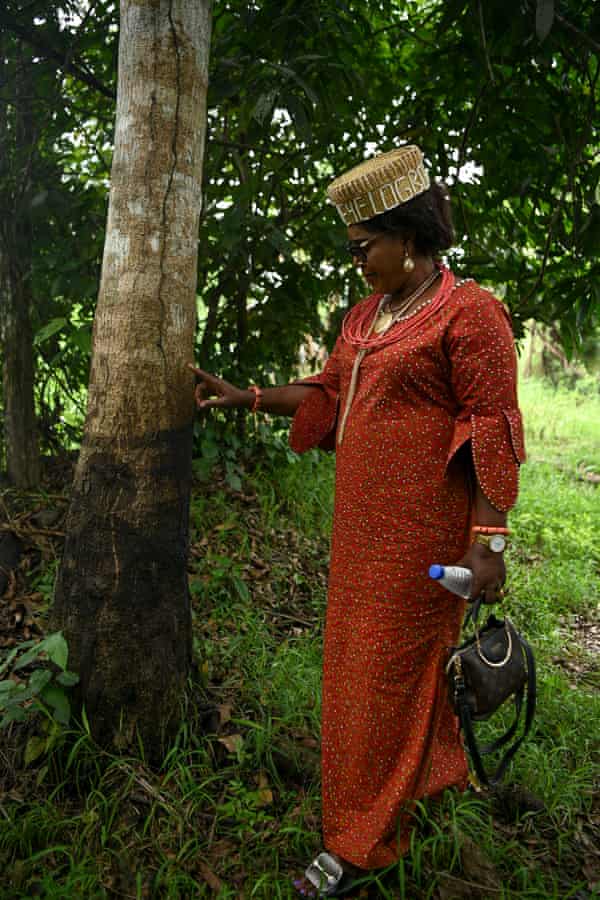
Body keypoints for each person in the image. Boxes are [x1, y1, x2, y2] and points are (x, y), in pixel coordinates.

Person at [188, 145, 525, 896]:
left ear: (408, 235)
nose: (358, 262)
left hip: (426, 540)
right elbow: (327, 396)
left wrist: (489, 542)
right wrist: (245, 396)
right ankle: (426, 789)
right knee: (359, 676)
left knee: (384, 679)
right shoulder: (365, 319)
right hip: (361, 537)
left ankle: (361, 844)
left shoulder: (469, 312)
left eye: (364, 246)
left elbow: (490, 424)